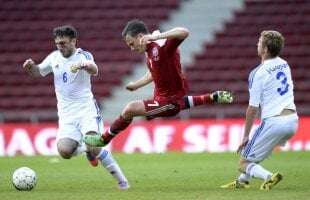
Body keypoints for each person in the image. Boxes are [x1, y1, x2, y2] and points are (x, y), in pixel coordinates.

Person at [83, 19, 233, 147]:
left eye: (132, 43)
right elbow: (153, 73)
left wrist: (159, 36)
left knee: (130, 109)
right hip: (165, 98)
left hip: (169, 102)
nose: (132, 48)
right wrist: (137, 85)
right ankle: (213, 97)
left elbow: (184, 32)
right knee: (177, 102)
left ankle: (104, 139)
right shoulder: (149, 52)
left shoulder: (162, 46)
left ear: (141, 36)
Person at [23, 25, 130, 190]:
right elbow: (38, 72)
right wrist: (31, 67)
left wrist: (85, 65)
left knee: (95, 146)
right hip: (66, 115)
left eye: (63, 43)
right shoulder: (54, 58)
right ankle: (85, 149)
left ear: (73, 41)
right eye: (58, 43)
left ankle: (122, 182)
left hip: (86, 110)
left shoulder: (83, 56)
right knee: (64, 151)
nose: (60, 47)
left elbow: (95, 70)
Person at [220, 30, 298, 190]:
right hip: (293, 120)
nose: (257, 45)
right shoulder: (284, 64)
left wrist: (246, 135)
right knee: (256, 152)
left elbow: (252, 108)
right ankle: (242, 182)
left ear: (265, 49)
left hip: (274, 121)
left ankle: (269, 177)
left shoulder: (258, 73)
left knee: (243, 163)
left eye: (259, 43)